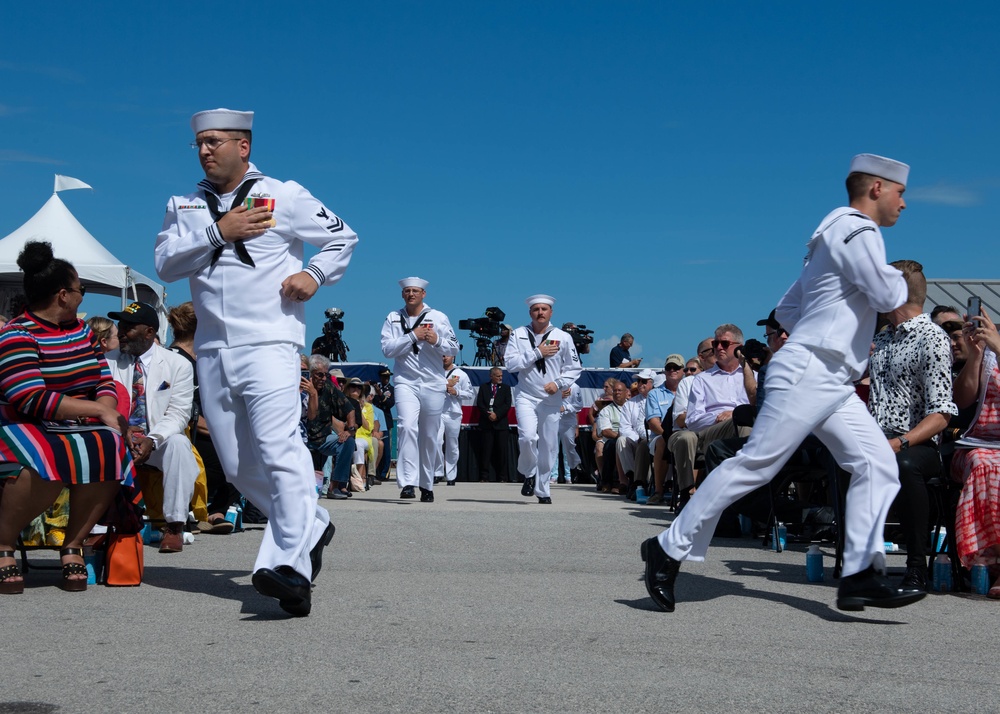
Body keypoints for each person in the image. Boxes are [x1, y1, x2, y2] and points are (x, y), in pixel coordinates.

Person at [641, 153, 926, 613]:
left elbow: (786, 311)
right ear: (876, 188)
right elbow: (889, 294)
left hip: (829, 375)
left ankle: (859, 575)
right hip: (814, 368)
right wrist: (894, 283)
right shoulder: (858, 228)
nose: (904, 203)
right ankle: (667, 547)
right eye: (900, 192)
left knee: (877, 464)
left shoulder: (824, 239)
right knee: (756, 465)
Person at [154, 108, 353, 616]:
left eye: (215, 142)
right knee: (241, 467)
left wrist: (313, 272)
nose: (205, 150)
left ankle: (289, 569)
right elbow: (167, 264)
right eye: (199, 143)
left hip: (271, 341)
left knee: (278, 446)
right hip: (214, 349)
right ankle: (310, 524)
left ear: (243, 146)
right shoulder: (185, 205)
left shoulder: (282, 194)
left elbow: (343, 236)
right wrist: (218, 232)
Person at [0, 241, 135, 594]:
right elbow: (29, 397)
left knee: (109, 446)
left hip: (70, 422)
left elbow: (102, 380)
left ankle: (73, 543)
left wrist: (106, 411)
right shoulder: (17, 334)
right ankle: (3, 545)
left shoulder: (81, 331)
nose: (81, 297)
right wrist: (98, 410)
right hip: (20, 420)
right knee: (45, 456)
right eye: (80, 290)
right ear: (63, 295)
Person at [868, 260, 956, 591]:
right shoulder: (884, 336)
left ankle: (916, 565)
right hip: (878, 436)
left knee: (902, 463)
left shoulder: (931, 337)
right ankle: (862, 558)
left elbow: (942, 413)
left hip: (917, 444)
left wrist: (899, 442)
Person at [105, 301, 199, 553]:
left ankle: (175, 526)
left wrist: (153, 439)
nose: (120, 331)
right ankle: (99, 525)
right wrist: (122, 432)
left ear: (149, 332)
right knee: (98, 443)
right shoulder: (106, 362)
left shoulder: (177, 364)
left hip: (156, 439)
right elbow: (102, 405)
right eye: (120, 325)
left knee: (179, 445)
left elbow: (179, 413)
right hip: (117, 437)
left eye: (128, 326)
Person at [380, 277, 459, 502]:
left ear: (423, 294)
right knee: (406, 426)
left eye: (415, 291)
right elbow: (387, 349)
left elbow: (454, 346)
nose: (411, 294)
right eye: (407, 291)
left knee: (430, 435)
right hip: (406, 381)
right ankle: (407, 483)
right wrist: (413, 336)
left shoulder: (438, 317)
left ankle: (427, 484)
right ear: (402, 295)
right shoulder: (393, 318)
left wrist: (436, 340)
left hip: (433, 382)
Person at [167, 301, 239, 534]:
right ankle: (203, 509)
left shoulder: (201, 361)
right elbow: (177, 409)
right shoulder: (173, 359)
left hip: (202, 428)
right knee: (229, 455)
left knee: (239, 447)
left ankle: (214, 511)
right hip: (182, 430)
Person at [505, 295, 582, 504]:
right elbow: (511, 364)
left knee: (548, 445)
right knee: (528, 437)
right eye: (536, 309)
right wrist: (537, 352)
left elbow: (574, 369)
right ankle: (529, 473)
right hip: (526, 395)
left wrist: (558, 384)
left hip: (551, 398)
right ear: (530, 313)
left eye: (544, 309)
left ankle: (543, 489)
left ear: (551, 313)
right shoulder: (519, 335)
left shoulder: (563, 337)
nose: (540, 312)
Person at [951, 308, 1000, 596]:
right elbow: (962, 399)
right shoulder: (987, 352)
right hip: (978, 444)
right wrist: (977, 355)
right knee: (985, 465)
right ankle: (993, 563)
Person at [305, 355, 356, 500]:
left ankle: (336, 486)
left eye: (326, 375)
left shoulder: (328, 387)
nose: (323, 378)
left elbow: (349, 408)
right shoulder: (298, 386)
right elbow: (310, 416)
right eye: (319, 374)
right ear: (310, 373)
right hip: (300, 439)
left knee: (348, 442)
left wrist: (350, 430)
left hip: (322, 439)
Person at [440, 354, 473, 485]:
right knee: (436, 441)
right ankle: (437, 471)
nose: (444, 358)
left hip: (453, 413)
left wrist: (457, 392)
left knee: (452, 445)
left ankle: (451, 475)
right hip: (437, 412)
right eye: (442, 355)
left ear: (453, 356)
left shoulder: (461, 374)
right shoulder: (434, 371)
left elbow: (469, 393)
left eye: (447, 355)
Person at [475, 366, 512, 482]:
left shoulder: (506, 388)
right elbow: (480, 403)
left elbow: (507, 404)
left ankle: (502, 477)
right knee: (486, 452)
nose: (500, 378)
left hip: (501, 424)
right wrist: (489, 415)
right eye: (498, 376)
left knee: (501, 452)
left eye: (501, 376)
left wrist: (497, 414)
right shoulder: (484, 387)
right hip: (487, 424)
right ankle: (484, 476)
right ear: (491, 376)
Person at [371, 367, 395, 481]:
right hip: (376, 419)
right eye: (384, 376)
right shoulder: (375, 388)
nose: (386, 379)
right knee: (377, 446)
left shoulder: (391, 389)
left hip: (386, 419)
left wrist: (380, 394)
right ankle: (376, 471)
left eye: (388, 377)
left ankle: (385, 473)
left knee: (386, 449)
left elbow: (390, 403)